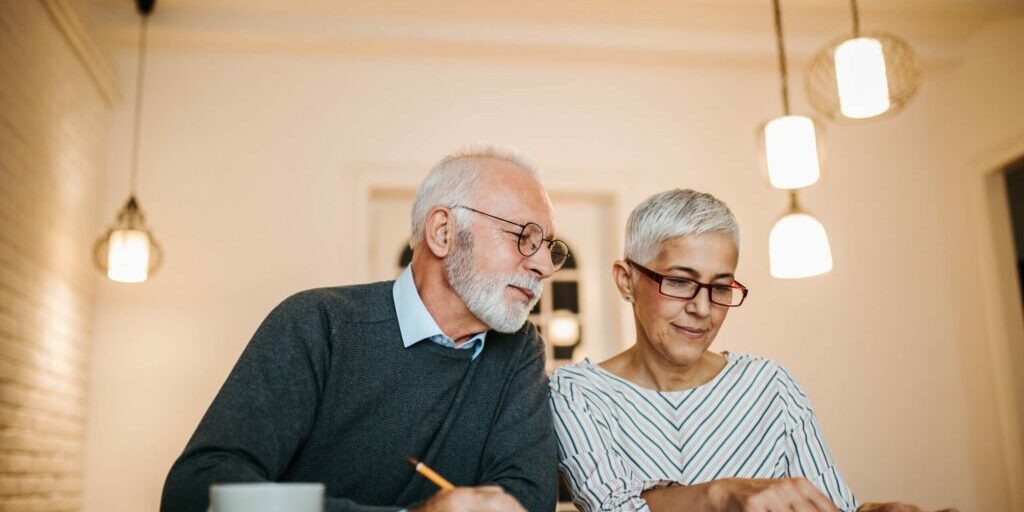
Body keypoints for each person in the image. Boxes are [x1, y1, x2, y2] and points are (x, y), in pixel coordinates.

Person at [161, 145, 568, 512]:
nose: (544, 266)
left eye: (549, 247)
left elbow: (525, 502)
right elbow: (196, 490)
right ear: (443, 232)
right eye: (524, 237)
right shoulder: (318, 324)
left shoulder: (518, 350)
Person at [549, 189, 956, 512]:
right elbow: (615, 508)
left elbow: (832, 507)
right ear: (626, 281)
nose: (702, 308)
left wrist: (876, 511)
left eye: (721, 286)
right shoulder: (577, 393)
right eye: (679, 281)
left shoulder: (771, 385)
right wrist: (721, 496)